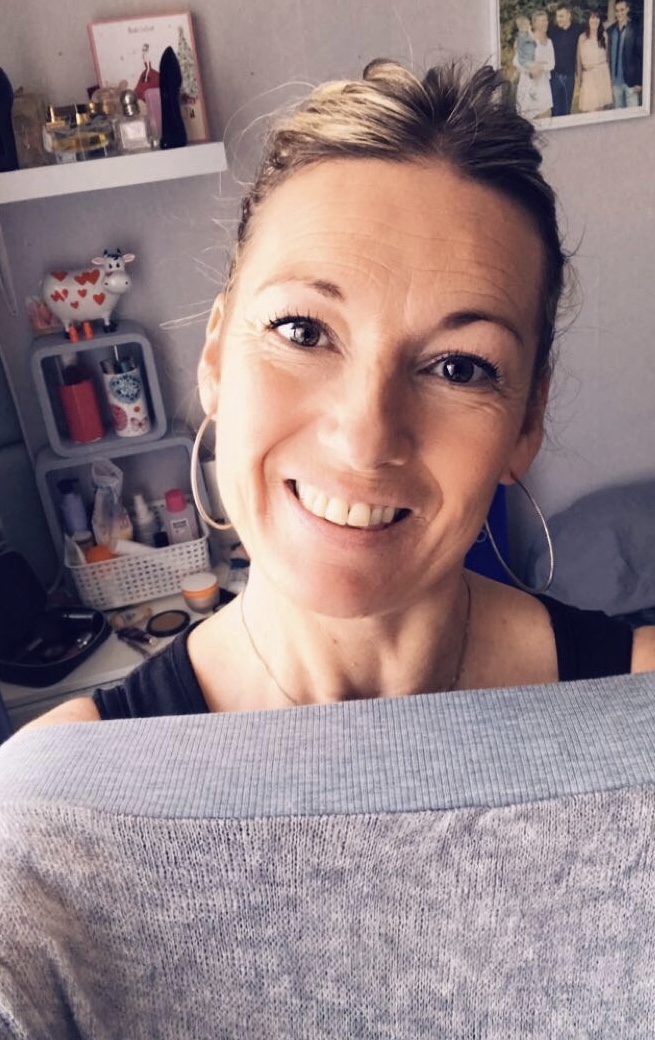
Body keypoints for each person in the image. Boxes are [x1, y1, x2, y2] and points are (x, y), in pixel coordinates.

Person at [22, 57, 655, 728]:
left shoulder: (639, 707)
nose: (364, 440)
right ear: (216, 357)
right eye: (302, 331)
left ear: (527, 421)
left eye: (459, 368)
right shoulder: (65, 770)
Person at [513, 10, 555, 121]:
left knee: (546, 118)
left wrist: (540, 67)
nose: (545, 23)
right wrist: (530, 69)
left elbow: (551, 63)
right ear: (535, 23)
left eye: (546, 20)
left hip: (543, 85)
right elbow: (516, 61)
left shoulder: (549, 42)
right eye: (542, 21)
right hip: (528, 84)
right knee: (528, 120)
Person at [547, 3, 583, 116]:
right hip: (554, 77)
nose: (558, 19)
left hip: (569, 77)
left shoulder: (577, 30)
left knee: (566, 110)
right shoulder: (552, 31)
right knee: (555, 111)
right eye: (557, 16)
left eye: (561, 16)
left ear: (569, 15)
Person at [607, 0, 643, 108]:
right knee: (619, 115)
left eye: (622, 10)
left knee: (634, 116)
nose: (619, 13)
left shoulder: (636, 29)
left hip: (631, 84)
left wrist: (640, 82)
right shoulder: (610, 31)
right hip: (615, 83)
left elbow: (641, 56)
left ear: (627, 9)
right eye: (617, 10)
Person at [576, 9, 613, 113]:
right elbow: (578, 59)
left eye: (597, 17)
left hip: (602, 74)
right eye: (592, 17)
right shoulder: (582, 37)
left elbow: (607, 57)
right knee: (590, 109)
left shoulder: (604, 35)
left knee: (601, 108)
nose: (595, 20)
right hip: (588, 76)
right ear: (588, 20)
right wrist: (579, 78)